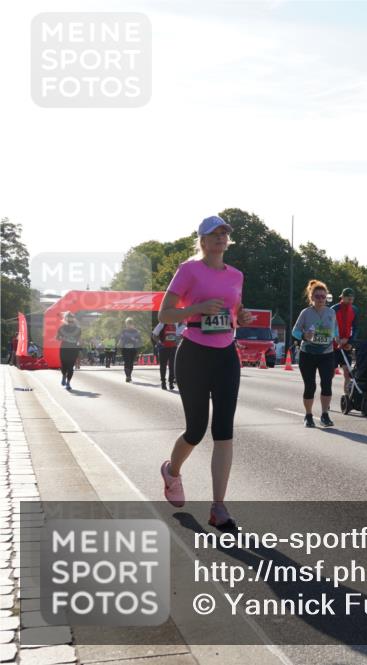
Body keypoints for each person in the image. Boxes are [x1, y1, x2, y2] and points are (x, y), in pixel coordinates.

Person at [157, 215, 252, 530]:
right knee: (196, 429)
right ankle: (172, 471)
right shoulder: (188, 270)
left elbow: (234, 311)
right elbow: (165, 313)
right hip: (194, 353)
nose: (221, 238)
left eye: (225, 233)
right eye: (214, 234)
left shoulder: (236, 275)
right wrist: (195, 309)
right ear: (202, 239)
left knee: (224, 430)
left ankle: (219, 507)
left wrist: (243, 316)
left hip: (226, 354)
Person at [291, 279, 340, 428]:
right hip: (308, 354)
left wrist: (338, 338)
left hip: (327, 353)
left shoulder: (331, 312)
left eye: (323, 297)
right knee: (310, 386)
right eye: (317, 296)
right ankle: (308, 415)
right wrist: (304, 336)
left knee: (327, 384)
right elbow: (295, 331)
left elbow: (335, 330)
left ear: (327, 298)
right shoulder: (305, 313)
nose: (320, 299)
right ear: (311, 297)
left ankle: (325, 415)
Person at [332, 288, 359, 395]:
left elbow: (356, 328)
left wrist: (350, 342)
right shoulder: (334, 309)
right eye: (348, 299)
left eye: (352, 299)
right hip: (333, 347)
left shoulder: (355, 310)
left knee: (347, 372)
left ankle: (348, 397)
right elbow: (328, 326)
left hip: (346, 346)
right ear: (342, 297)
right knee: (330, 374)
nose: (350, 301)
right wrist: (335, 337)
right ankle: (327, 395)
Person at [56, 312, 82, 391]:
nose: (70, 320)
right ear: (66, 319)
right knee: (63, 366)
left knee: (71, 367)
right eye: (69, 318)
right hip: (64, 348)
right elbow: (57, 338)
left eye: (72, 318)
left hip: (73, 349)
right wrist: (63, 338)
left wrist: (80, 349)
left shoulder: (78, 329)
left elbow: (79, 340)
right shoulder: (62, 328)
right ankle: (64, 376)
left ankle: (68, 383)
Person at [152, 321, 180, 390]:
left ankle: (171, 382)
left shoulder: (176, 323)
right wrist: (160, 342)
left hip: (173, 348)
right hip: (163, 348)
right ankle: (163, 382)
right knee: (163, 366)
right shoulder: (162, 323)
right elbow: (154, 335)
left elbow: (178, 335)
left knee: (172, 366)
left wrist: (177, 341)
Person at [116, 318, 143, 383]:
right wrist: (119, 344)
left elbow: (139, 340)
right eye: (128, 323)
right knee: (126, 362)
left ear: (132, 324)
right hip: (125, 349)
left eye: (130, 323)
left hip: (133, 349)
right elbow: (121, 339)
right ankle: (127, 376)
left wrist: (136, 341)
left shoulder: (136, 331)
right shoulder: (124, 331)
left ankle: (129, 375)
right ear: (126, 324)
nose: (129, 325)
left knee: (131, 363)